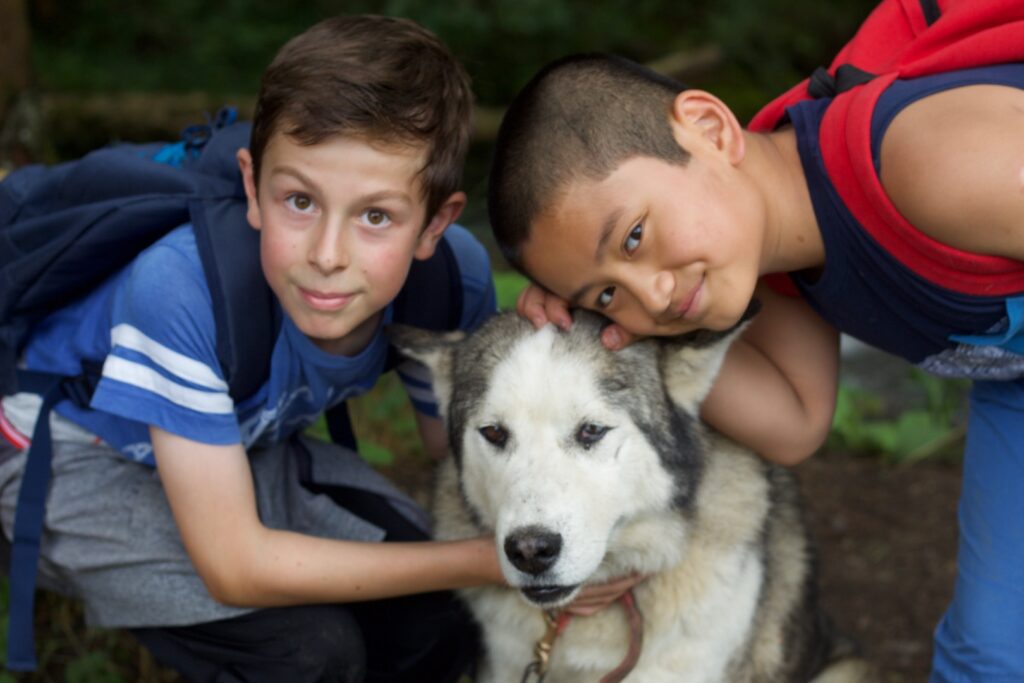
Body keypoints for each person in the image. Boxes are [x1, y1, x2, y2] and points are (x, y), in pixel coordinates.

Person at [487, 48, 1024, 683]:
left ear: (710, 130)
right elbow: (794, 423)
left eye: (633, 237)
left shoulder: (929, 161)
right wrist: (603, 330)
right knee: (988, 656)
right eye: (607, 292)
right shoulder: (775, 266)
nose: (652, 295)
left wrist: (607, 300)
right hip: (1009, 383)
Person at [1, 15, 500, 682]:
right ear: (252, 187)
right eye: (299, 200)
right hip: (63, 452)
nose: (328, 256)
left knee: (440, 614)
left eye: (376, 215)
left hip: (231, 448)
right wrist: (488, 561)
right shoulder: (181, 290)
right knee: (308, 651)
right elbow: (235, 566)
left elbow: (464, 474)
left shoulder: (450, 283)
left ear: (436, 221)